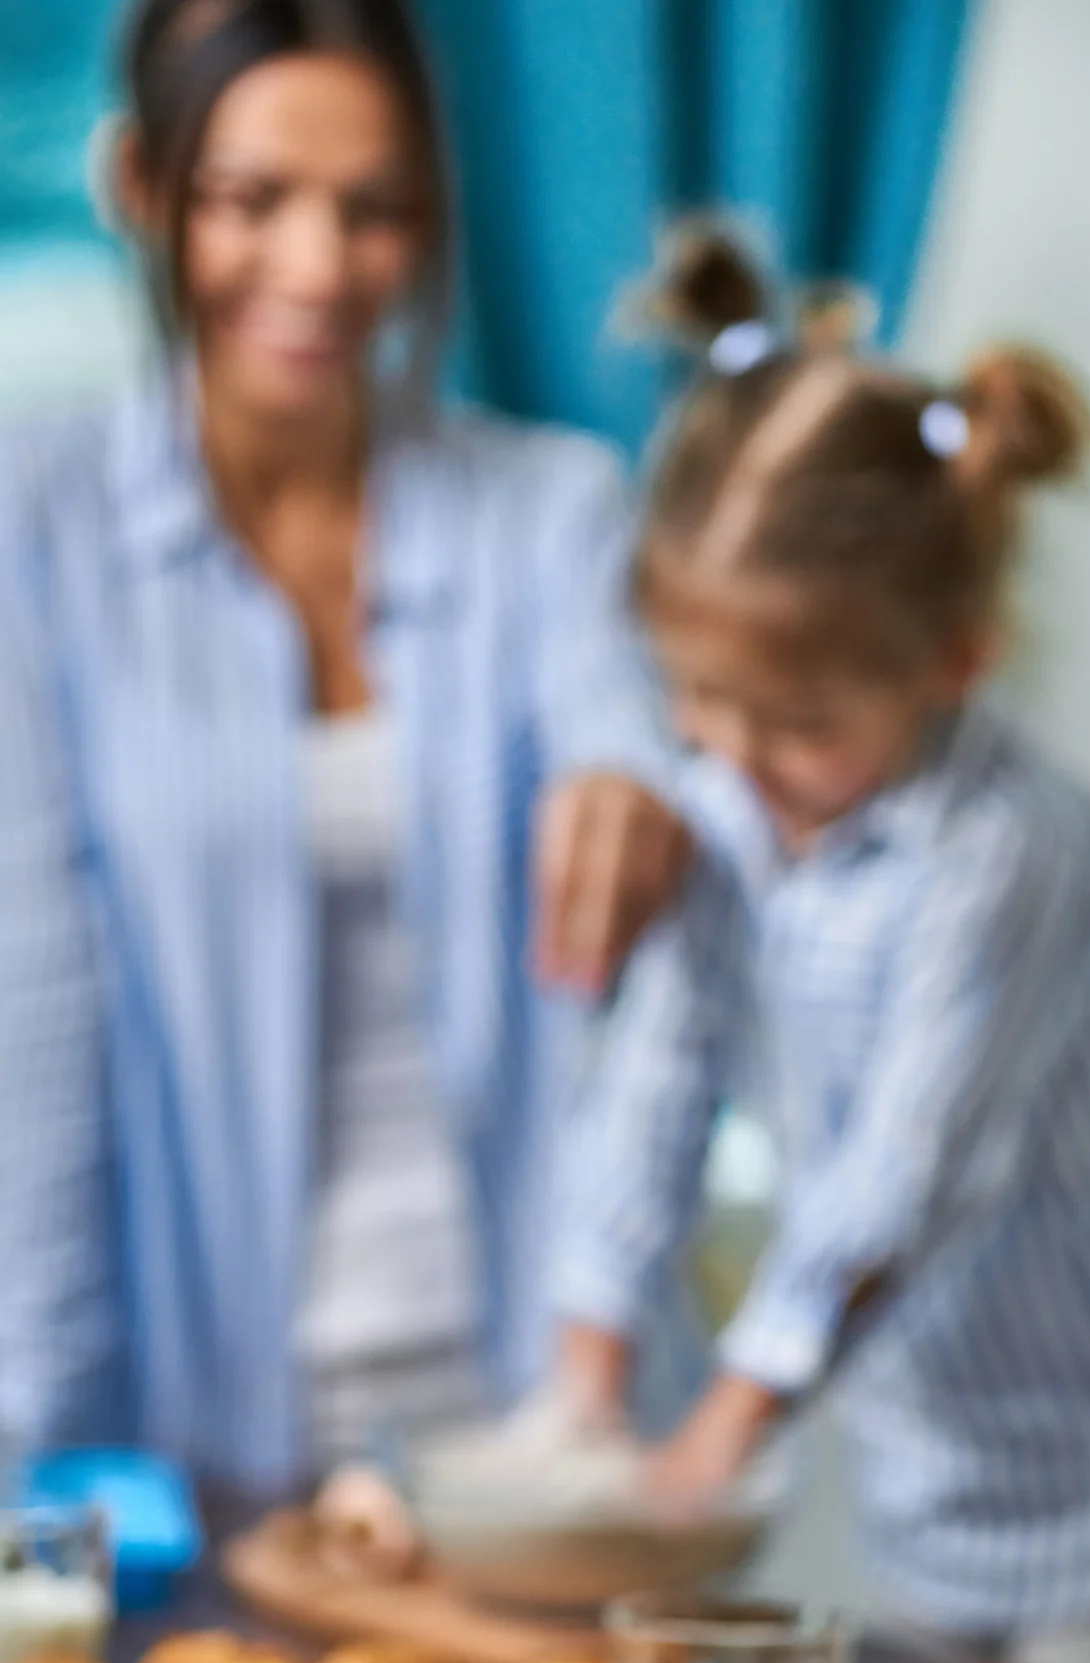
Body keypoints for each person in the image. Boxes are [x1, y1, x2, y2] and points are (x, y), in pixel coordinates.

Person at [553, 232, 1090, 1663]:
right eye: (696, 700)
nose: (737, 758)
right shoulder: (729, 802)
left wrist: (728, 1420)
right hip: (936, 1394)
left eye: (801, 724)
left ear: (954, 659)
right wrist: (590, 1374)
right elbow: (657, 1075)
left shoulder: (1014, 848)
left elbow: (913, 1164)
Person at [0, 0, 693, 1496]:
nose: (317, 269)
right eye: (253, 202)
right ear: (144, 191)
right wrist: (35, 1454)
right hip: (187, 1425)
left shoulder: (548, 510)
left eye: (373, 212)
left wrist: (636, 773)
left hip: (516, 1423)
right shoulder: (30, 527)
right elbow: (33, 1021)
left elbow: (619, 712)